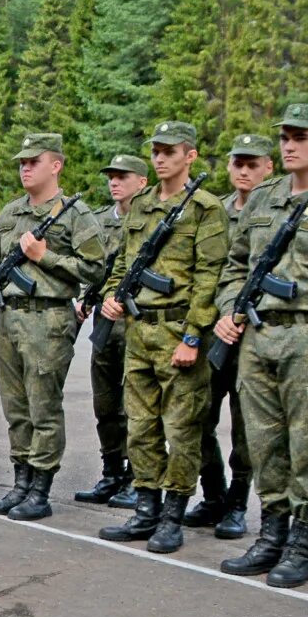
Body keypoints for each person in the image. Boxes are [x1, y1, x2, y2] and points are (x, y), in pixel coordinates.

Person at [215, 103, 308, 588]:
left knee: (307, 445)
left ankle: (299, 544)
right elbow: (234, 264)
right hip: (258, 334)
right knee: (263, 443)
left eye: (300, 137)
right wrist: (229, 308)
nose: (289, 145)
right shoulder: (262, 198)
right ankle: (270, 536)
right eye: (284, 138)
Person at [95, 122, 227, 552]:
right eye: (156, 151)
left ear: (190, 156)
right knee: (141, 425)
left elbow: (209, 278)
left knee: (182, 427)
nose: (160, 158)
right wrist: (111, 297)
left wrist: (193, 336)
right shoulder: (142, 205)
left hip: (178, 332)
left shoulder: (206, 208)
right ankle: (146, 508)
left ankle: (173, 514)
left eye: (169, 151)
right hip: (138, 329)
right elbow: (123, 263)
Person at [0, 133, 104, 522]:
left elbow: (94, 270)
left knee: (43, 406)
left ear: (56, 165)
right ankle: (21, 480)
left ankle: (41, 489)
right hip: (8, 317)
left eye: (33, 161)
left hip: (48, 319)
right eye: (22, 162)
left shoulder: (75, 215)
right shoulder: (12, 213)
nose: (25, 168)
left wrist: (46, 257)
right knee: (16, 408)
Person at [183, 134, 273, 539]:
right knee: (196, 417)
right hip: (210, 332)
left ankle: (237, 505)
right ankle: (214, 495)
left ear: (268, 167)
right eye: (238, 162)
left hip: (253, 335)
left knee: (244, 429)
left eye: (252, 164)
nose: (243, 170)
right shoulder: (213, 211)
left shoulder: (277, 212)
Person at [73, 155, 148, 509]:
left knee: (136, 404)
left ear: (142, 182)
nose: (114, 183)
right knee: (105, 403)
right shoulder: (101, 221)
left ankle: (137, 476)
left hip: (136, 322)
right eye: (111, 177)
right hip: (105, 321)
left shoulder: (149, 221)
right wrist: (85, 297)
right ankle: (112, 472)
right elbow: (92, 267)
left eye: (123, 177)